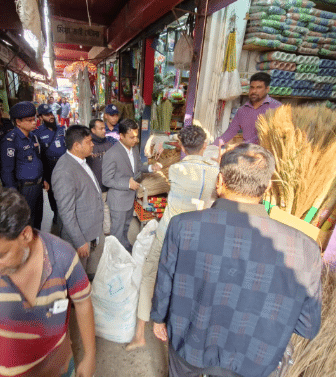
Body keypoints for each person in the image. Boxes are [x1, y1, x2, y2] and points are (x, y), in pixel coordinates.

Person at [151, 143, 322, 377]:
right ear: (268, 187)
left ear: (219, 181)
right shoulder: (305, 248)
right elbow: (307, 327)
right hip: (253, 360)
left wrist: (158, 319)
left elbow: (164, 283)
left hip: (189, 346)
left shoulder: (184, 226)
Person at [0, 185, 96, 377]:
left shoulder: (64, 257)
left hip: (57, 369)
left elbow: (82, 302)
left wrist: (90, 356)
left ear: (25, 235)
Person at [126, 125, 219, 351]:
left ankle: (140, 334)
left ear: (181, 146)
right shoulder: (216, 171)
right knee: (187, 281)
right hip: (200, 234)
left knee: (151, 272)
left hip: (169, 231)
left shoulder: (177, 170)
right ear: (205, 146)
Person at [102, 119, 161, 252]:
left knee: (126, 226)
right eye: (131, 137)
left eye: (136, 136)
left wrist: (151, 168)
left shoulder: (133, 149)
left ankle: (124, 245)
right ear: (121, 136)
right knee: (117, 231)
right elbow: (106, 180)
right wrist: (127, 184)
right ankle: (115, 255)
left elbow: (138, 167)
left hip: (130, 198)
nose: (136, 140)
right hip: (118, 200)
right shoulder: (112, 154)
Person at [51, 125, 104, 270]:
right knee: (77, 274)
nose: (92, 144)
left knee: (88, 269)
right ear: (76, 145)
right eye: (88, 142)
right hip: (79, 236)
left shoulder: (81, 161)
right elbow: (66, 213)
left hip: (89, 229)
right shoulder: (64, 171)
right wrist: (80, 242)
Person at [0, 102, 48, 230]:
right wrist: (13, 195)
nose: (34, 122)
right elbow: (7, 170)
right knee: (26, 222)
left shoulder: (33, 137)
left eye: (34, 119)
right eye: (30, 120)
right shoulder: (11, 140)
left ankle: (37, 243)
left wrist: (43, 179)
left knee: (38, 219)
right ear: (18, 122)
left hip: (37, 186)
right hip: (24, 189)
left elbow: (36, 160)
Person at [213, 72, 281, 147]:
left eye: (259, 87)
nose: (254, 91)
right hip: (246, 152)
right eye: (252, 87)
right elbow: (229, 132)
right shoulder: (243, 110)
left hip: (267, 153)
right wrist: (213, 145)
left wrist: (239, 146)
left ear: (267, 89)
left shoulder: (276, 108)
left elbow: (267, 135)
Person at [34, 104, 67, 224]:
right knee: (53, 193)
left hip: (64, 165)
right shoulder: (37, 133)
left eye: (51, 114)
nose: (51, 116)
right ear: (41, 117)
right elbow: (38, 156)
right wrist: (43, 177)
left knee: (66, 190)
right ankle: (56, 213)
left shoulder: (61, 129)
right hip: (49, 166)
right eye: (47, 115)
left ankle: (65, 214)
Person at [86, 119, 116, 235]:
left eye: (105, 128)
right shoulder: (88, 145)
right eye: (101, 128)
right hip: (94, 187)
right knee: (94, 212)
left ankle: (107, 232)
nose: (104, 131)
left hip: (108, 186)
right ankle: (93, 236)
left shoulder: (109, 144)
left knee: (107, 208)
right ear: (93, 130)